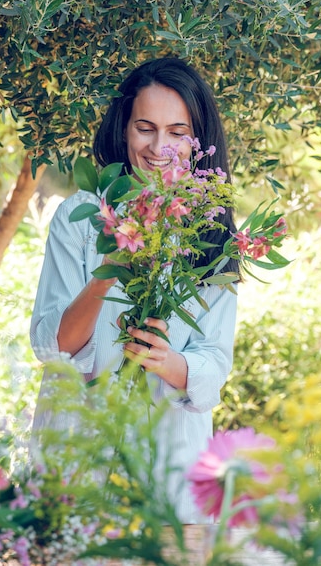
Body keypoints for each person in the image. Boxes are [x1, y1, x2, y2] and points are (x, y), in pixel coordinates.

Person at [30, 57, 239, 523]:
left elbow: (215, 358)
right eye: (145, 127)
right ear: (123, 128)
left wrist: (170, 363)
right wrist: (113, 264)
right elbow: (52, 345)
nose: (159, 146)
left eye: (178, 132)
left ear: (198, 138)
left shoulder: (211, 231)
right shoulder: (83, 215)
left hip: (172, 474)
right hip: (78, 461)